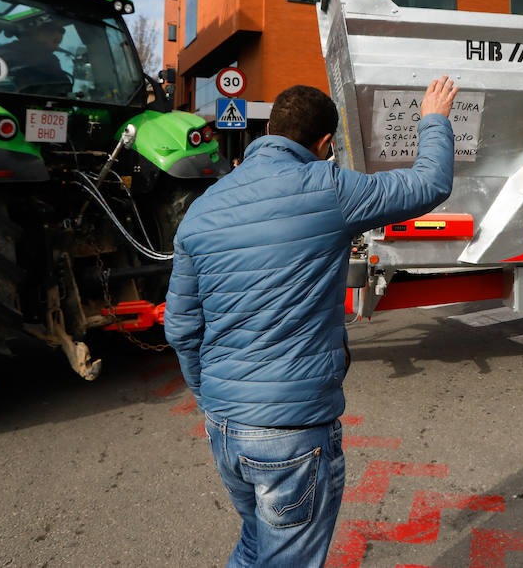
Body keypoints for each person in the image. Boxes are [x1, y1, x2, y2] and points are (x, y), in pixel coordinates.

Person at [165, 76, 459, 568]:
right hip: (291, 432)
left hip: (224, 426)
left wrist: (213, 399)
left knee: (257, 545)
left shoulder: (203, 208)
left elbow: (180, 327)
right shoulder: (329, 189)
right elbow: (429, 184)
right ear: (324, 143)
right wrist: (434, 118)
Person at [0, 20, 69, 92]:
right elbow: (64, 88)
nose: (56, 47)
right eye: (55, 41)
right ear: (42, 35)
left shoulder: (1, 50)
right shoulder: (48, 59)